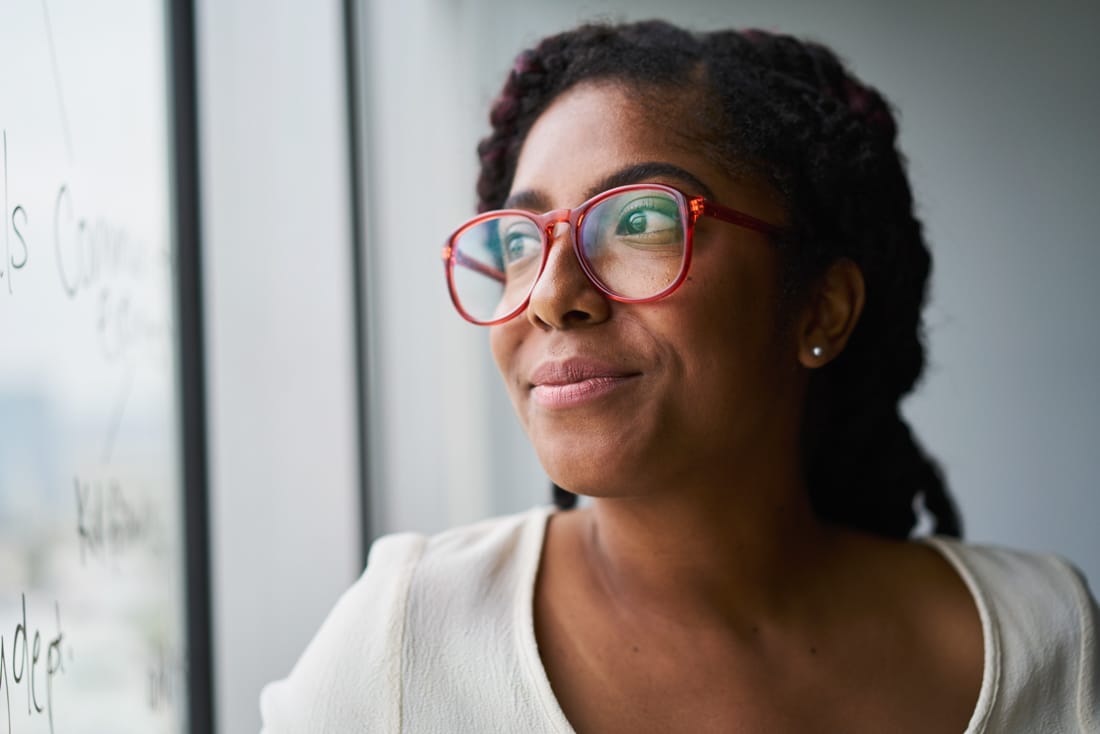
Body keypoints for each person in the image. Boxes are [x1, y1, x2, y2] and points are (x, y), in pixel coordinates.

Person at [260, 20, 1098, 733]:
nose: (551, 297)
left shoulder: (1048, 640)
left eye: (639, 221)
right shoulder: (406, 641)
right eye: (521, 241)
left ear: (821, 309)